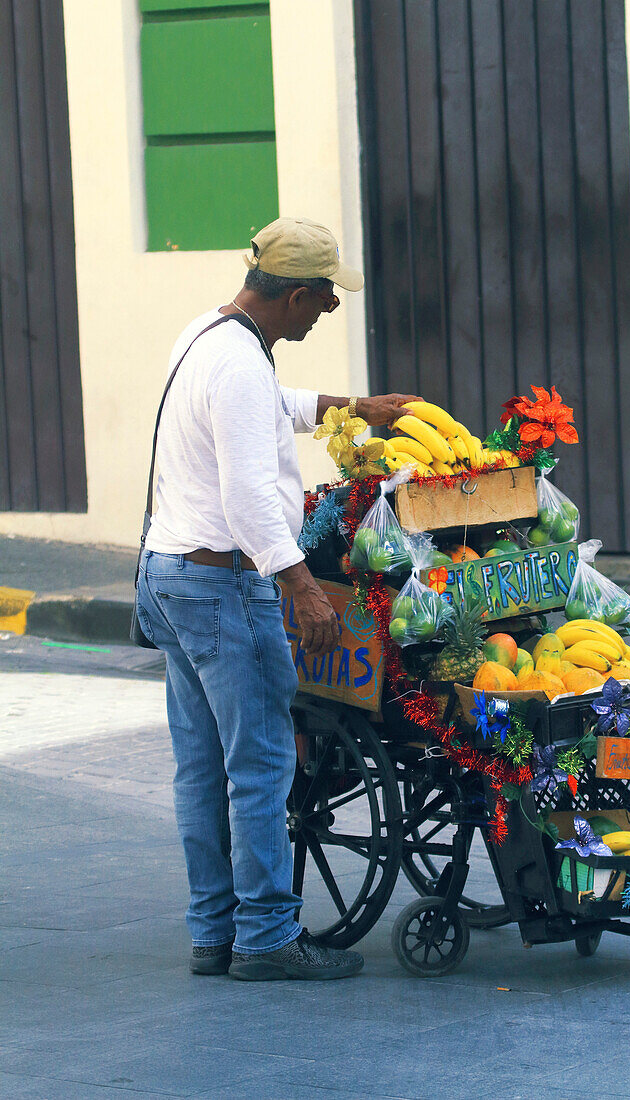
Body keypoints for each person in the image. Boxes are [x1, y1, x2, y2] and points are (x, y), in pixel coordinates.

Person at [135, 217, 417, 981]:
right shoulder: (234, 365)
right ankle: (263, 940)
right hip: (223, 584)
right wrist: (302, 589)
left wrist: (353, 406)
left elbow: (272, 403)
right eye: (324, 297)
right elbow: (250, 493)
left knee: (201, 770)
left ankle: (212, 932)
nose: (329, 309)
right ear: (294, 295)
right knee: (260, 768)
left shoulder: (213, 334)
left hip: (171, 574)